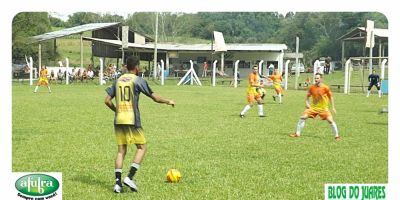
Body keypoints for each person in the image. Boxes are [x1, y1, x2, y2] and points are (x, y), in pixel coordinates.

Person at [104, 56, 175, 193]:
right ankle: (130, 177)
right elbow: (155, 98)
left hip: (119, 120)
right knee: (142, 148)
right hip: (132, 119)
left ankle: (118, 183)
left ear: (126, 67)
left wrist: (116, 110)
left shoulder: (117, 80)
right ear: (137, 67)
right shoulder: (138, 80)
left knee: (121, 151)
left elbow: (107, 100)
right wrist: (168, 101)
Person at [289, 73, 340, 141]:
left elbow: (331, 97)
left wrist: (333, 107)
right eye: (315, 78)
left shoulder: (325, 87)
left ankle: (337, 136)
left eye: (317, 78)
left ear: (321, 79)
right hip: (313, 108)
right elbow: (307, 97)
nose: (316, 79)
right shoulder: (312, 87)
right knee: (302, 117)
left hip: (323, 108)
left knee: (330, 121)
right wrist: (307, 103)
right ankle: (297, 134)